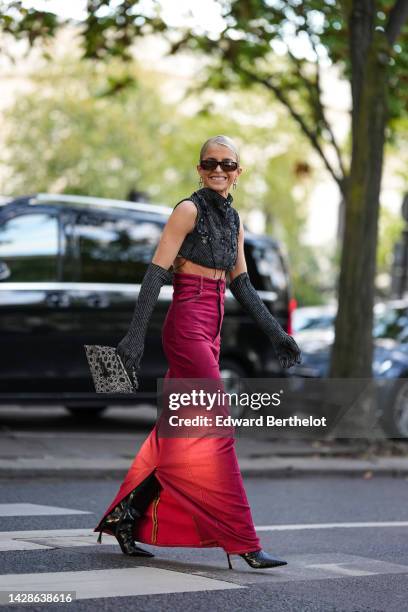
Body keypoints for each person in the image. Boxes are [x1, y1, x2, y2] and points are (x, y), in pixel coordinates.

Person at [94, 135, 302, 570]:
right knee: (218, 429)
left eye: (227, 164)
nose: (219, 170)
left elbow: (241, 284)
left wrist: (276, 333)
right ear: (199, 168)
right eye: (211, 163)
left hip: (212, 328)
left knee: (179, 434)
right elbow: (155, 274)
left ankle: (126, 515)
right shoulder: (187, 210)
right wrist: (135, 336)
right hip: (186, 326)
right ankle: (244, 540)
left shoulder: (235, 220)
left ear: (238, 172)